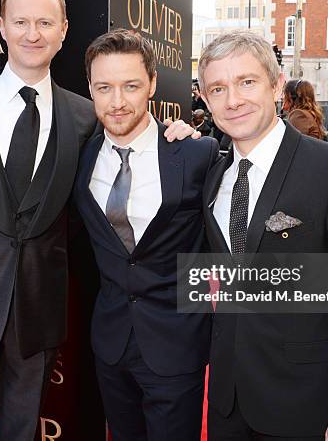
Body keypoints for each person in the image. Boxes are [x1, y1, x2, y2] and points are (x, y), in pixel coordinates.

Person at [0, 0, 194, 441]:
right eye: (21, 21)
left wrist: (173, 135)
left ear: (64, 30)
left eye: (45, 22)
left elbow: (130, 142)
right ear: (2, 26)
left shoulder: (85, 115)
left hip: (41, 306)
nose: (32, 33)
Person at [199, 31, 328, 440]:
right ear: (205, 98)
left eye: (246, 82)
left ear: (276, 85)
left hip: (306, 405)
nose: (233, 99)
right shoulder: (216, 174)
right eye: (218, 88)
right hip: (227, 402)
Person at [75, 29, 219, 441]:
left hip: (177, 347)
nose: (117, 102)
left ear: (152, 84)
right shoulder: (80, 157)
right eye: (104, 87)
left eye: (131, 86)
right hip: (110, 344)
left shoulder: (195, 154)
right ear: (90, 88)